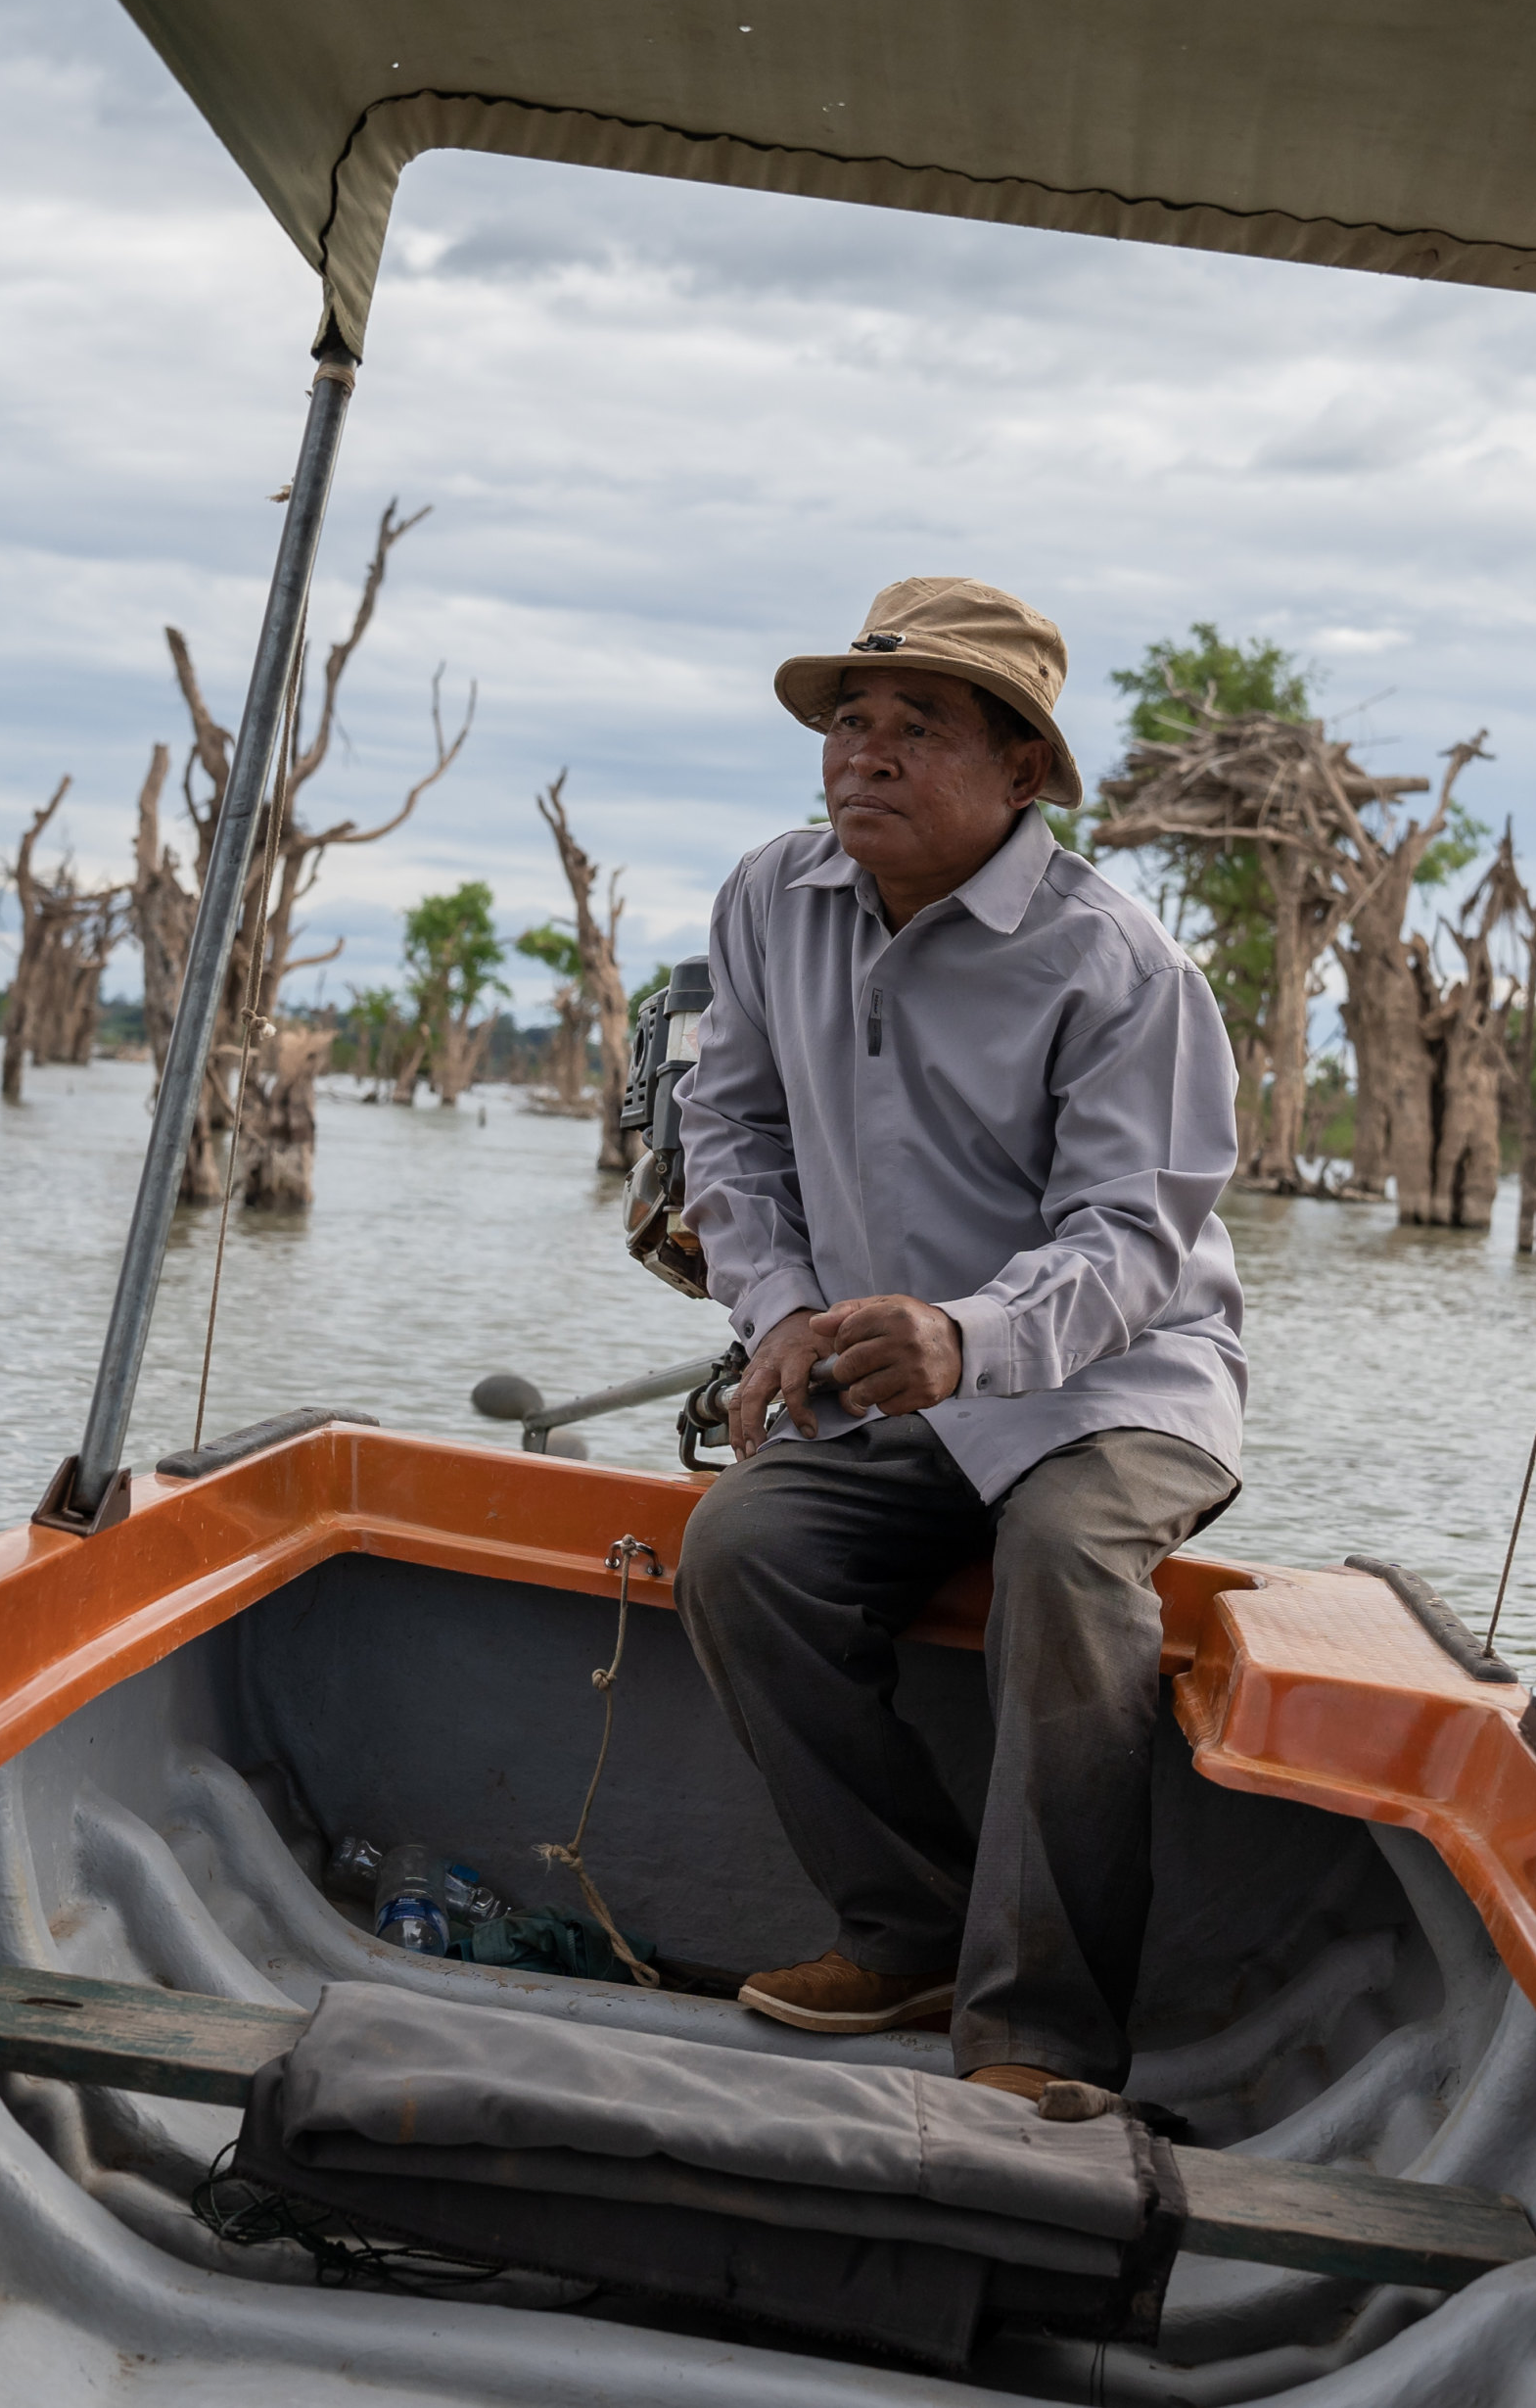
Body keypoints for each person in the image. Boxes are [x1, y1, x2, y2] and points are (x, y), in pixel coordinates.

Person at [673, 575, 1247, 2109]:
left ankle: (1039, 2033)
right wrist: (781, 1308)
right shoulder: (764, 901)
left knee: (1065, 1565)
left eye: (914, 727)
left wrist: (964, 1334)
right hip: (891, 1377)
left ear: (1026, 774)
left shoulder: (1121, 968)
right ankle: (909, 1924)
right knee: (741, 1546)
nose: (862, 755)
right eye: (847, 723)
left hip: (1121, 1383)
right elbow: (723, 1123)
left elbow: (1134, 1238)